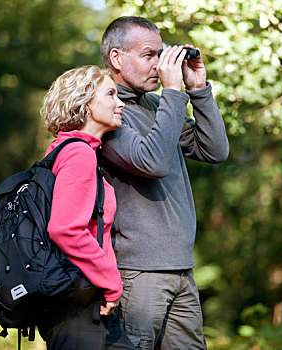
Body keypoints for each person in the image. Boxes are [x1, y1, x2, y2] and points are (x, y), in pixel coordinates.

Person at [100, 16, 229, 349]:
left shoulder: (157, 104)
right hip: (138, 272)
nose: (158, 65)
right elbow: (151, 162)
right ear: (117, 58)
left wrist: (198, 90)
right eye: (148, 55)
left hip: (181, 267)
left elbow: (214, 150)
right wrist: (173, 93)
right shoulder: (108, 114)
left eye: (161, 54)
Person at [38, 65, 130, 349]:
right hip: (80, 304)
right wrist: (112, 282)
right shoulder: (78, 154)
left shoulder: (65, 150)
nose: (120, 102)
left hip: (79, 301)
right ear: (85, 103)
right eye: (111, 94)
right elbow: (65, 229)